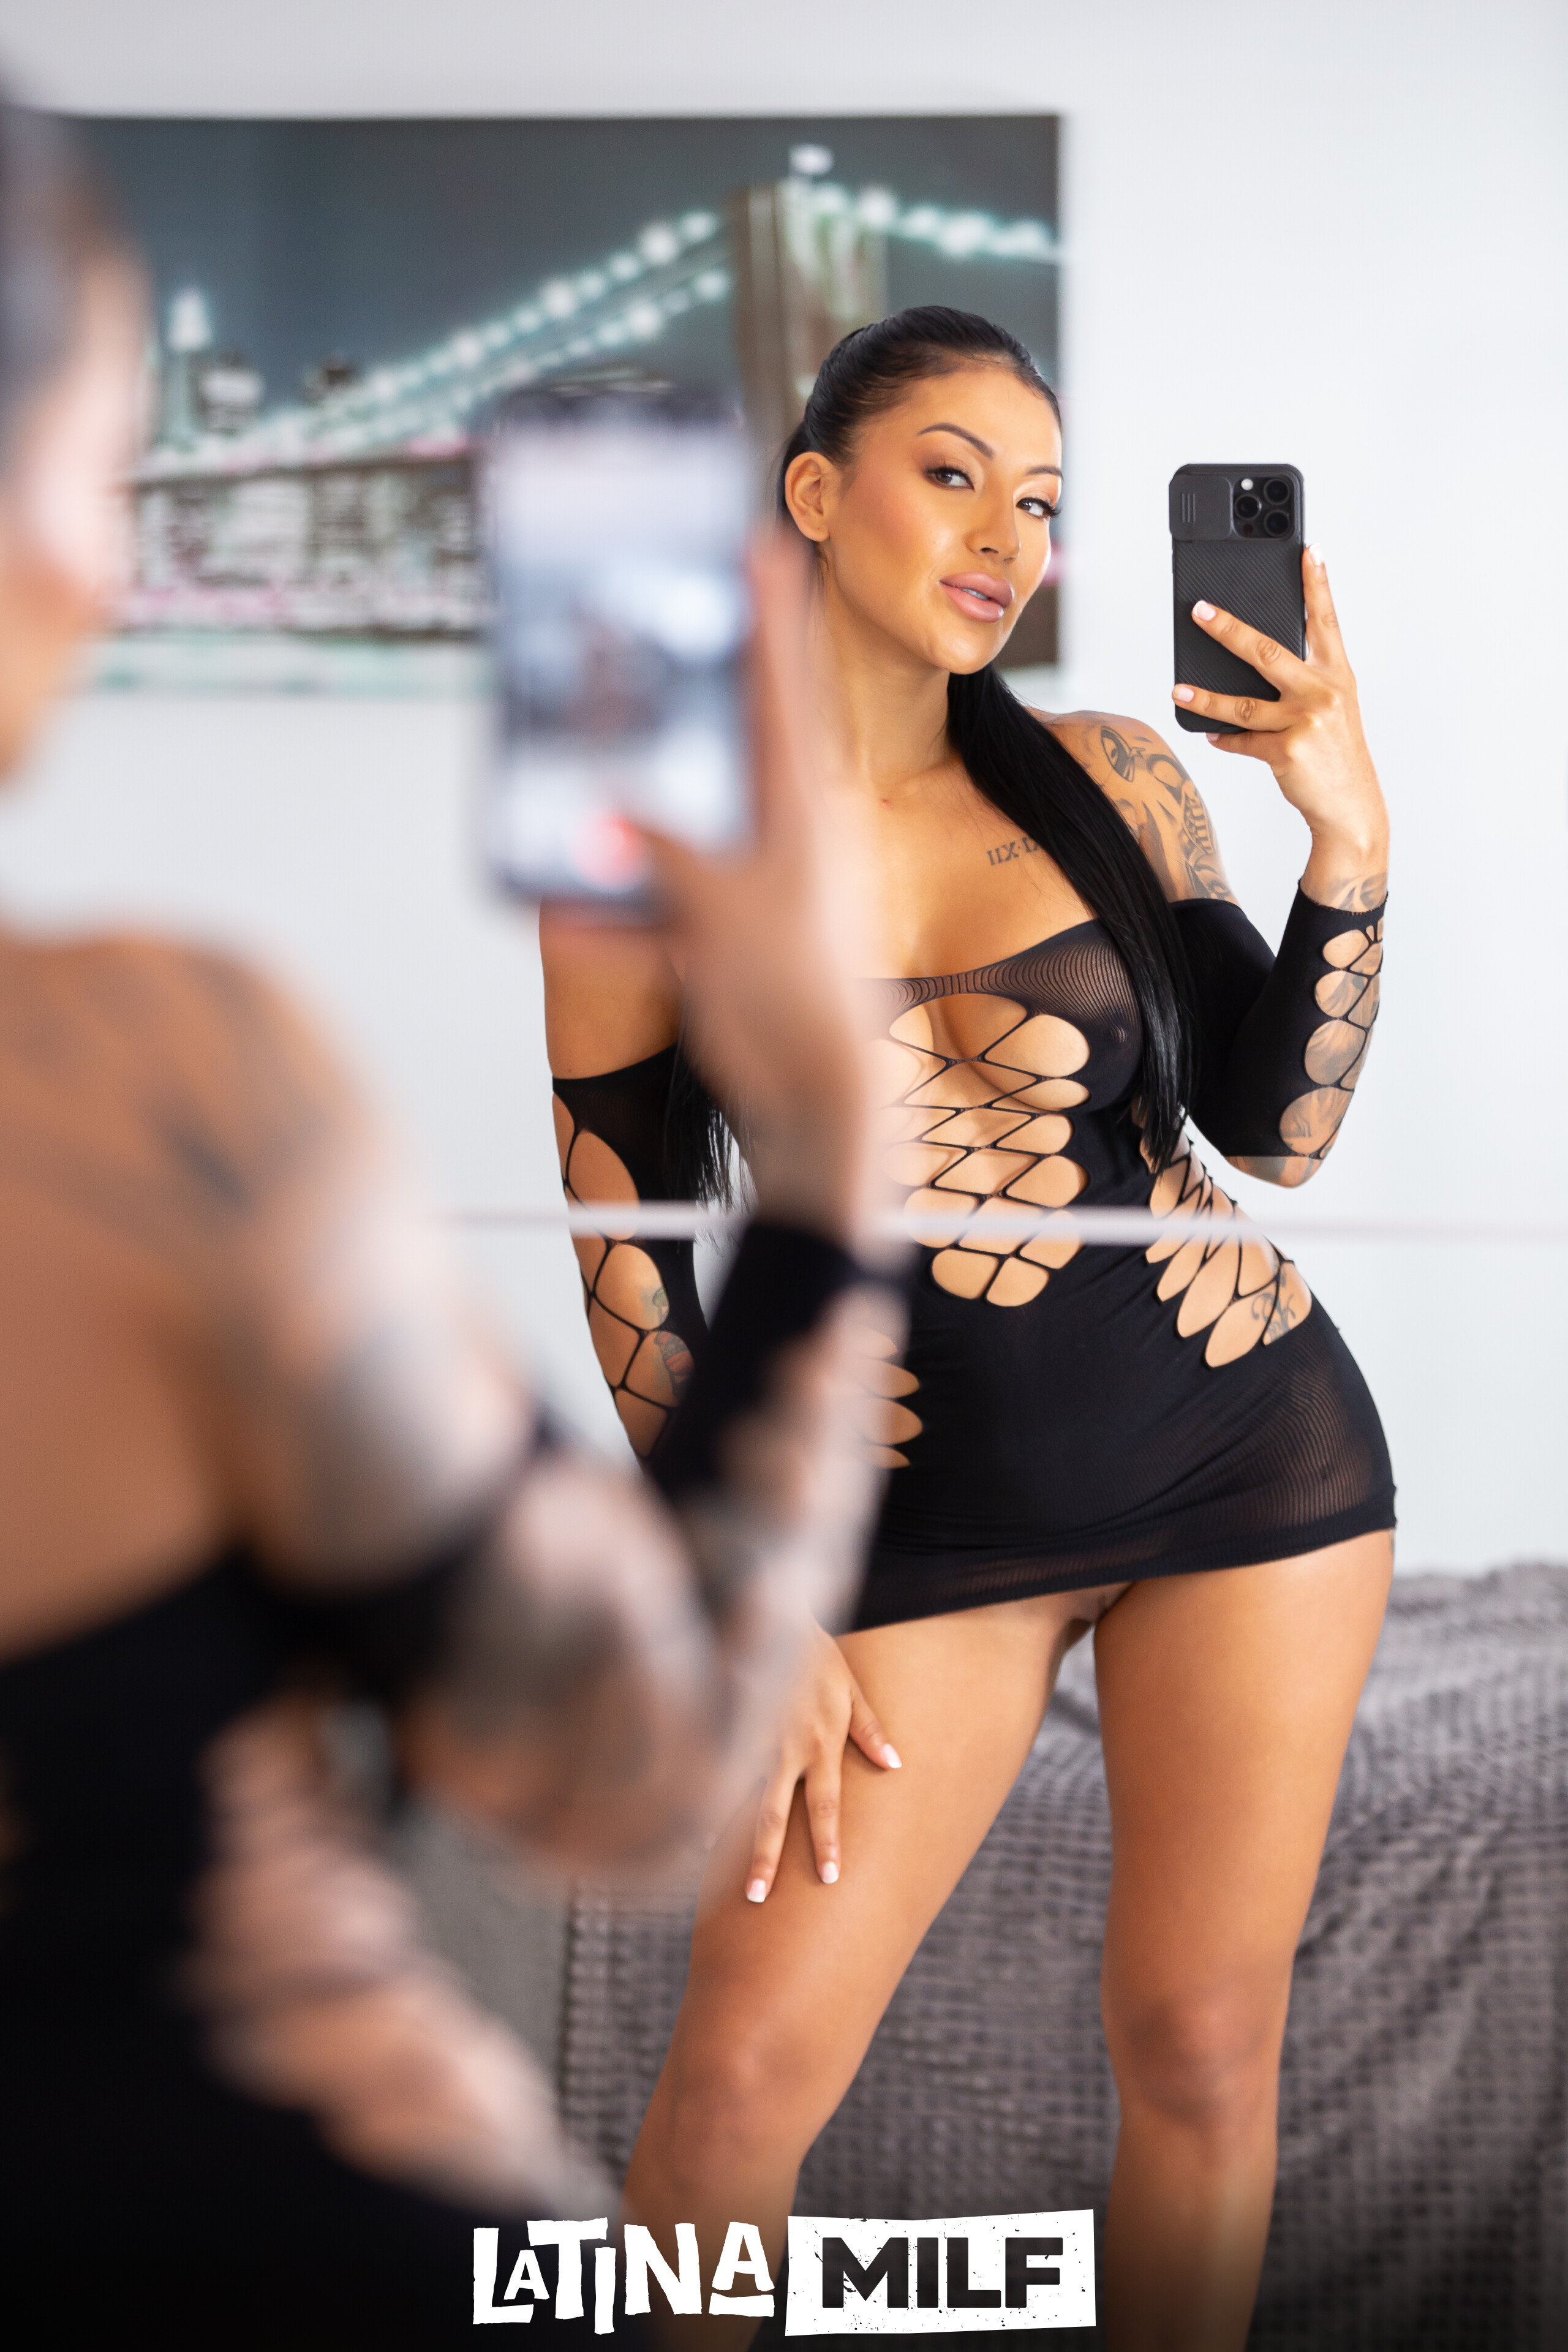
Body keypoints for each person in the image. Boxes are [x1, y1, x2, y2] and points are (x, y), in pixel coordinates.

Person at [0, 101, 892, 2348]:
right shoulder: (153, 1093)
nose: (109, 571)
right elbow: (635, 1765)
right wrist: (825, 1146)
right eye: (99, 476)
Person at [540, 306, 1395, 2351]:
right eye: (953, 476)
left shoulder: (1108, 777)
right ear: (812, 492)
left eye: (1042, 502)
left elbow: (1277, 1137)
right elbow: (630, 1255)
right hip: (922, 1518)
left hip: (1250, 1458)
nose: (1010, 537)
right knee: (735, 2097)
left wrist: (1345, 838)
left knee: (1201, 2049)